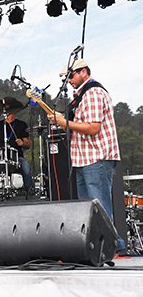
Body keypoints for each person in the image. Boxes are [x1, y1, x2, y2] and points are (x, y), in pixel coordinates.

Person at [47, 59, 121, 242]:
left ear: (84, 72)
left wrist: (64, 123)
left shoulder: (93, 93)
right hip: (83, 159)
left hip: (97, 157)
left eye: (71, 75)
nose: (69, 80)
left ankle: (111, 244)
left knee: (99, 206)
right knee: (87, 208)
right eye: (66, 78)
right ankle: (96, 246)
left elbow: (93, 128)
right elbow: (80, 123)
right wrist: (63, 120)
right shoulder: (80, 96)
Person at [0, 111, 33, 193]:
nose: (7, 115)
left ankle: (29, 191)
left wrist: (22, 143)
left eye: (9, 112)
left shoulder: (21, 125)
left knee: (26, 168)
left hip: (16, 157)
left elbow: (28, 145)